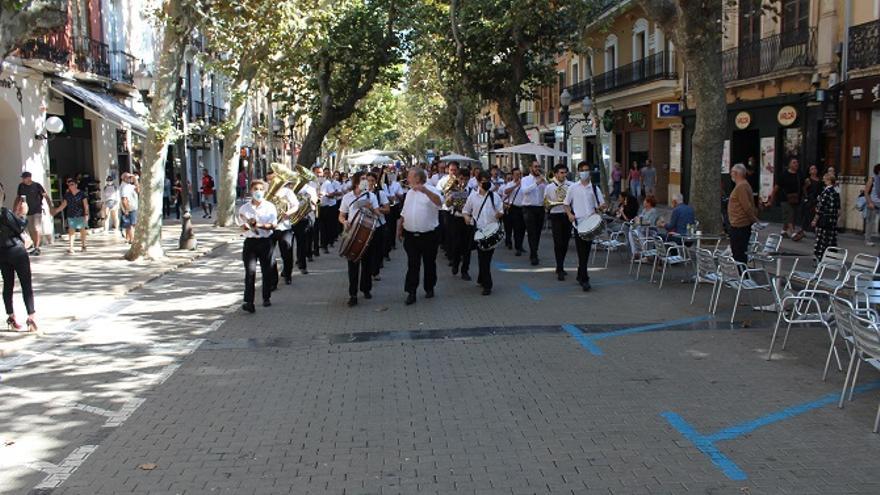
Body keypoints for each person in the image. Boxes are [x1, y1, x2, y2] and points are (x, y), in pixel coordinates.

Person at [398, 168, 442, 305]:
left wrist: (425, 191)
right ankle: (411, 292)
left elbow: (440, 203)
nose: (407, 178)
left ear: (418, 178)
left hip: (428, 235)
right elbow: (404, 212)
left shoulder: (432, 189)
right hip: (411, 235)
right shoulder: (410, 193)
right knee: (413, 264)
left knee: (429, 263)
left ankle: (429, 287)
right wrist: (399, 228)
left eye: (410, 176)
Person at [339, 172, 380, 307]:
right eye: (363, 179)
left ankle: (366, 289)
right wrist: (344, 222)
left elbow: (378, 214)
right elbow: (341, 215)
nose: (366, 181)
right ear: (356, 181)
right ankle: (353, 294)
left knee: (367, 264)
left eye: (366, 180)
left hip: (367, 232)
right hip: (351, 232)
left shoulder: (371, 196)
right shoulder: (347, 197)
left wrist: (372, 208)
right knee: (352, 264)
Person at [0, 182, 37, 332]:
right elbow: (20, 225)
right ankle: (31, 317)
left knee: (7, 284)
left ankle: (11, 316)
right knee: (25, 284)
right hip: (16, 251)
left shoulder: (6, 213)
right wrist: (22, 213)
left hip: (1, 253)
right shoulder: (4, 212)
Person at [237, 180, 277, 313]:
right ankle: (249, 301)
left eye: (261, 189)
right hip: (250, 242)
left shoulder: (270, 206)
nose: (258, 192)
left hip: (266, 241)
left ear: (264, 191)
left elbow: (273, 225)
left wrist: (258, 225)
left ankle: (266, 297)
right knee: (250, 272)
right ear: (251, 190)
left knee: (267, 270)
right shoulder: (244, 208)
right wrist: (246, 226)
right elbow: (241, 227)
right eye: (255, 189)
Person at [564, 162, 605, 291]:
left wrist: (601, 207)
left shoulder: (594, 188)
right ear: (578, 172)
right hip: (578, 224)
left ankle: (580, 274)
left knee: (586, 251)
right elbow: (566, 204)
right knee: (582, 251)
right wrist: (569, 214)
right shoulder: (573, 188)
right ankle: (585, 279)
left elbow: (601, 205)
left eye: (587, 170)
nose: (584, 172)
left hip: (591, 224)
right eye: (582, 170)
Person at [463, 170, 504, 295]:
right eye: (483, 181)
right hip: (479, 232)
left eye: (488, 181)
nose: (486, 183)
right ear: (478, 181)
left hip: (492, 231)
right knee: (483, 258)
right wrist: (466, 218)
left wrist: (499, 214)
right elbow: (466, 210)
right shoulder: (472, 196)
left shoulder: (494, 196)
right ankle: (487, 285)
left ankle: (482, 278)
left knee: (486, 258)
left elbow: (501, 210)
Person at [544, 163, 573, 281]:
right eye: (561, 172)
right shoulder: (549, 187)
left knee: (565, 242)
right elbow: (546, 203)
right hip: (555, 215)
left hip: (567, 215)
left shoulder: (571, 185)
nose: (564, 175)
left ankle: (560, 264)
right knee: (558, 242)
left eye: (565, 172)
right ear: (556, 174)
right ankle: (560, 268)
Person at [268, 172, 297, 288]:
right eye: (269, 180)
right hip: (269, 228)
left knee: (287, 253)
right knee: (270, 255)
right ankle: (272, 282)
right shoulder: (266, 192)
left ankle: (288, 274)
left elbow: (295, 205)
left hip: (284, 227)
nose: (271, 182)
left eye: (273, 180)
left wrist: (288, 213)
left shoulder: (287, 192)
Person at [445, 167, 473, 280]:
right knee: (456, 244)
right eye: (461, 179)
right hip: (456, 219)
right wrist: (451, 198)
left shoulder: (472, 190)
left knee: (467, 247)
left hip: (468, 220)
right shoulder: (453, 189)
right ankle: (455, 263)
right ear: (458, 178)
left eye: (466, 179)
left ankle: (465, 270)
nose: (463, 181)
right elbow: (447, 204)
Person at [728, 163, 759, 264]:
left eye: (732, 172)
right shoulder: (742, 185)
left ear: (736, 173)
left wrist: (754, 220)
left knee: (739, 254)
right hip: (738, 225)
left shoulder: (741, 186)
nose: (730, 174)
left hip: (740, 226)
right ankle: (740, 275)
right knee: (738, 253)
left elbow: (746, 206)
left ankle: (741, 276)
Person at [766, 158, 803, 241]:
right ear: (789, 165)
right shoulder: (784, 175)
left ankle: (783, 231)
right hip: (784, 198)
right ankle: (793, 233)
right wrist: (771, 200)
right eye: (794, 162)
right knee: (789, 214)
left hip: (796, 199)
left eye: (797, 162)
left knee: (791, 215)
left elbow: (803, 186)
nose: (796, 164)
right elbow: (776, 188)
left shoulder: (799, 174)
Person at [51, 178, 90, 254]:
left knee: (82, 230)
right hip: (71, 215)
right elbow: (64, 205)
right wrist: (56, 211)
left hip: (81, 214)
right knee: (71, 231)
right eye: (69, 185)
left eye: (72, 184)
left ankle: (83, 245)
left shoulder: (82, 193)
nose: (70, 186)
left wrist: (86, 214)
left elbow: (86, 205)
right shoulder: (67, 195)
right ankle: (71, 247)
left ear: (76, 185)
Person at [17, 171, 52, 256]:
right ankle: (33, 245)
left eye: (24, 178)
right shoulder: (21, 186)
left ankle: (37, 247)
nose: (23, 179)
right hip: (27, 210)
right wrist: (17, 209)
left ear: (29, 178)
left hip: (37, 210)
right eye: (22, 178)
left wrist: (51, 207)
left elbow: (45, 196)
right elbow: (19, 198)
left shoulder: (37, 186)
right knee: (30, 229)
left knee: (37, 228)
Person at [520, 160, 547, 266]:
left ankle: (534, 251)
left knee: (538, 232)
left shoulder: (543, 179)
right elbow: (524, 191)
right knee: (532, 232)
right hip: (528, 208)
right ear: (531, 168)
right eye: (535, 167)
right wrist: (537, 183)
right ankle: (534, 255)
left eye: (539, 166)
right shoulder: (525, 179)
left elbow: (548, 191)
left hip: (540, 208)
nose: (537, 169)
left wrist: (545, 182)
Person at [367, 171, 391, 280]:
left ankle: (375, 272)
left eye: (372, 180)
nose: (370, 183)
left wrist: (376, 209)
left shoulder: (380, 193)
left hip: (378, 225)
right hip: (366, 225)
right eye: (368, 180)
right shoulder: (362, 193)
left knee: (377, 250)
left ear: (376, 182)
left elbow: (387, 209)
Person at [812, 172, 841, 262]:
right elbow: (839, 209)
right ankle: (831, 257)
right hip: (832, 219)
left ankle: (819, 256)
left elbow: (821, 208)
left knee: (821, 238)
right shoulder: (836, 192)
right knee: (831, 238)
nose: (823, 180)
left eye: (824, 179)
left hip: (824, 219)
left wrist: (815, 220)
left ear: (828, 180)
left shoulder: (826, 192)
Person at [502, 168, 526, 255]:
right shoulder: (509, 184)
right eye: (516, 174)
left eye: (519, 174)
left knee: (522, 228)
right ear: (512, 175)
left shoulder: (524, 183)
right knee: (516, 228)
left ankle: (520, 245)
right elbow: (506, 191)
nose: (518, 176)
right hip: (514, 208)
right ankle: (517, 248)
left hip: (523, 208)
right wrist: (516, 185)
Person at [801, 164, 822, 234]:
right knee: (808, 214)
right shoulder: (808, 180)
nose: (814, 170)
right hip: (810, 198)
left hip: (817, 198)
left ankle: (815, 228)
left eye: (815, 168)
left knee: (816, 214)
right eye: (812, 169)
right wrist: (806, 197)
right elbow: (804, 189)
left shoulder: (819, 179)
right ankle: (804, 229)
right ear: (809, 172)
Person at [119, 172, 139, 243]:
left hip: (132, 207)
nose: (130, 178)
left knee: (128, 224)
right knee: (132, 225)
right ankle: (132, 239)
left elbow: (138, 190)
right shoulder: (124, 187)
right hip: (130, 208)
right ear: (124, 178)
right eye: (128, 177)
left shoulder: (129, 185)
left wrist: (135, 180)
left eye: (130, 177)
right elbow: (124, 199)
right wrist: (127, 209)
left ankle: (128, 238)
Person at [865, 164, 880, 246]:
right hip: (873, 203)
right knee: (870, 222)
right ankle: (868, 240)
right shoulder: (872, 179)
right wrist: (869, 202)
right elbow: (866, 192)